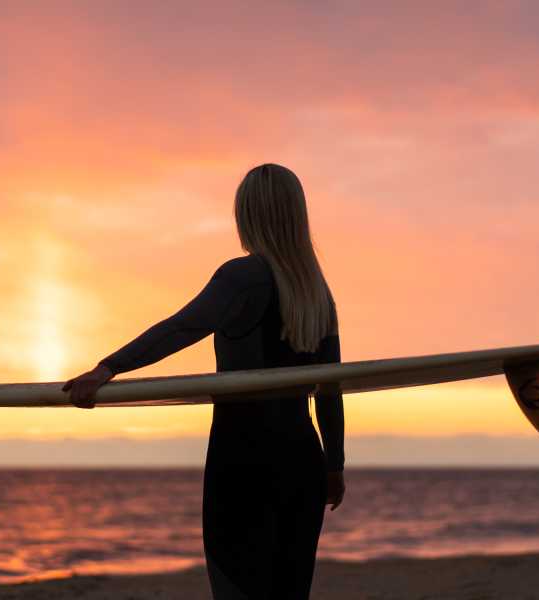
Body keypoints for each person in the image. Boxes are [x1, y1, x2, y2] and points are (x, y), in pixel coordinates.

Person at [63, 163, 345, 599]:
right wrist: (334, 465)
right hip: (302, 463)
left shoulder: (242, 277)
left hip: (244, 464)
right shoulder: (317, 292)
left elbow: (182, 328)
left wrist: (108, 367)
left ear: (247, 215)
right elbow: (330, 388)